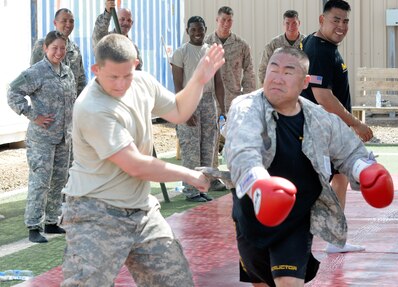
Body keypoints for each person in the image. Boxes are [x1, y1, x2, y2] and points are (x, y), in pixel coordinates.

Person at [60, 33, 224, 286]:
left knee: (176, 282)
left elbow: (179, 111)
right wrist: (188, 174)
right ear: (96, 69)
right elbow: (135, 165)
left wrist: (199, 79)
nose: (121, 84)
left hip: (140, 210)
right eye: (113, 77)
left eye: (127, 75)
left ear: (135, 64)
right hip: (95, 212)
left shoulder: (142, 83)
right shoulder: (92, 107)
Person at [223, 47, 394, 286]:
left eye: (288, 71)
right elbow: (242, 149)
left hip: (297, 220)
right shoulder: (246, 107)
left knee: (288, 282)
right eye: (273, 68)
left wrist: (365, 171)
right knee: (262, 283)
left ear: (304, 82)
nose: (277, 77)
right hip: (251, 217)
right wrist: (258, 183)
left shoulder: (319, 118)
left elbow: (350, 150)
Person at [300, 0, 374, 253]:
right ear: (322, 20)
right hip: (319, 132)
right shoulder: (319, 49)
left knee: (340, 178)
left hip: (328, 131)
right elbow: (323, 96)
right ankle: (297, 241)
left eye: (345, 21)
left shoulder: (324, 46)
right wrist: (355, 124)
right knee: (312, 184)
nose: (341, 26)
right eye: (336, 20)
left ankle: (334, 239)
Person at [8, 31, 76, 243]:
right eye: (54, 48)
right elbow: (13, 92)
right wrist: (32, 115)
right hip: (42, 139)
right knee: (40, 181)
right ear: (45, 49)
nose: (58, 52)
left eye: (62, 48)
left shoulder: (67, 72)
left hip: (64, 138)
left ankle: (51, 221)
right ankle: (33, 226)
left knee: (58, 181)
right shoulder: (36, 72)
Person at [171, 16, 225, 202]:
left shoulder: (211, 51)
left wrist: (222, 109)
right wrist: (185, 108)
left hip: (209, 101)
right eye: (193, 30)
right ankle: (191, 191)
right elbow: (178, 85)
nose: (197, 33)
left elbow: (218, 83)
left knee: (208, 147)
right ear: (187, 31)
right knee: (191, 147)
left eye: (200, 29)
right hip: (189, 98)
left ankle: (202, 188)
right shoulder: (180, 53)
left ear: (205, 29)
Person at [205, 6, 256, 190]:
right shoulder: (206, 43)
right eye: (223, 20)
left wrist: (247, 96)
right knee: (211, 139)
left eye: (229, 20)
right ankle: (212, 178)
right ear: (217, 20)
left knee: (235, 139)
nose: (226, 24)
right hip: (211, 100)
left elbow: (249, 72)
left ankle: (235, 174)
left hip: (233, 100)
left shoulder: (241, 45)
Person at [30, 8, 87, 96]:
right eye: (64, 21)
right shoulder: (43, 44)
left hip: (70, 105)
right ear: (55, 23)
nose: (68, 24)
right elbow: (32, 76)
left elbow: (81, 79)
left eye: (71, 21)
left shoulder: (74, 48)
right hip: (49, 106)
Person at [258, 10, 305, 86]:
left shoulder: (306, 42)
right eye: (287, 23)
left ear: (299, 23)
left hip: (300, 88)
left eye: (294, 23)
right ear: (283, 24)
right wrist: (266, 87)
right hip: (278, 86)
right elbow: (263, 68)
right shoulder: (274, 44)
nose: (291, 27)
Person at [92, 0, 143, 70]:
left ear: (132, 23)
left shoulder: (133, 47)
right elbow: (98, 34)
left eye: (129, 20)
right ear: (116, 20)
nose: (125, 23)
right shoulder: (107, 41)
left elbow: (138, 71)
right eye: (122, 19)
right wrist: (107, 12)